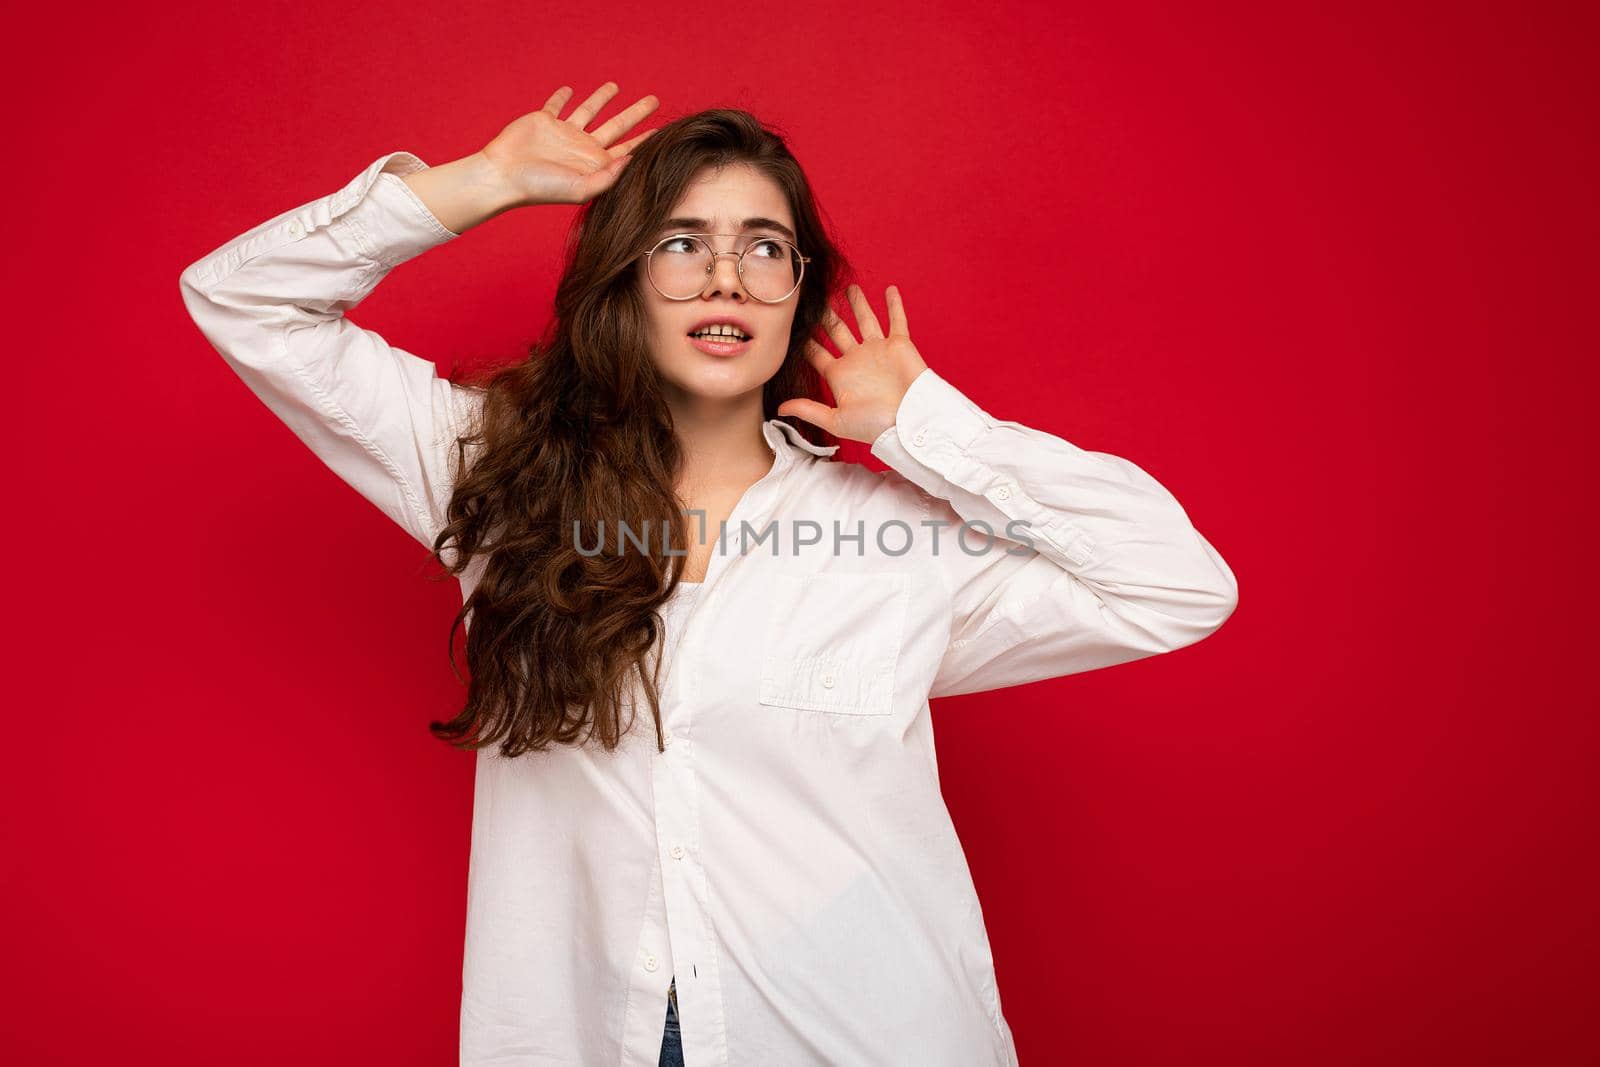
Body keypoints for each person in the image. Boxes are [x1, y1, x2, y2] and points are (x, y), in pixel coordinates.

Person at [179, 81, 1238, 1067]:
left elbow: (1177, 583)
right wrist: (486, 181)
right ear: (625, 279)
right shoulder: (491, 479)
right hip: (586, 1028)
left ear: (799, 296)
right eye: (681, 243)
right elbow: (242, 300)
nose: (724, 276)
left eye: (763, 248)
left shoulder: (896, 544)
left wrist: (925, 422)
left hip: (867, 1033)